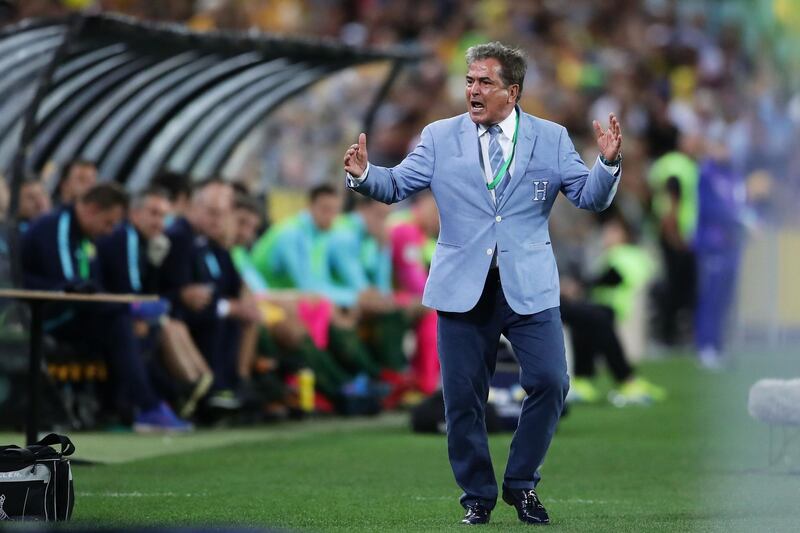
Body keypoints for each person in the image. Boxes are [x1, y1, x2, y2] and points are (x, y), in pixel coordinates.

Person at [343, 42, 623, 525]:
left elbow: (588, 198)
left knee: (552, 382)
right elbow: (395, 186)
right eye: (470, 80)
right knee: (461, 399)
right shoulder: (437, 136)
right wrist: (365, 174)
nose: (472, 90)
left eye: (484, 82)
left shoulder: (551, 139)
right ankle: (477, 494)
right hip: (461, 287)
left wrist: (609, 165)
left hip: (528, 285)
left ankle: (521, 483)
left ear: (511, 92)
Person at [20, 183, 191, 432]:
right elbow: (73, 289)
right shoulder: (58, 226)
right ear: (91, 209)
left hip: (72, 313)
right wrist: (129, 307)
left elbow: (91, 288)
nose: (109, 230)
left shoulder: (85, 237)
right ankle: (147, 406)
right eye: (108, 222)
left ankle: (133, 406)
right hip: (43, 315)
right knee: (121, 321)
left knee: (131, 325)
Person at [159, 179, 261, 409]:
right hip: (178, 313)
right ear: (194, 207)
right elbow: (179, 293)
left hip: (205, 308)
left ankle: (237, 385)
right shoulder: (179, 237)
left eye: (224, 213)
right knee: (218, 318)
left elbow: (232, 286)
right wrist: (226, 306)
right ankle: (212, 390)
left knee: (242, 316)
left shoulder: (210, 242)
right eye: (213, 213)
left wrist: (239, 302)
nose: (219, 220)